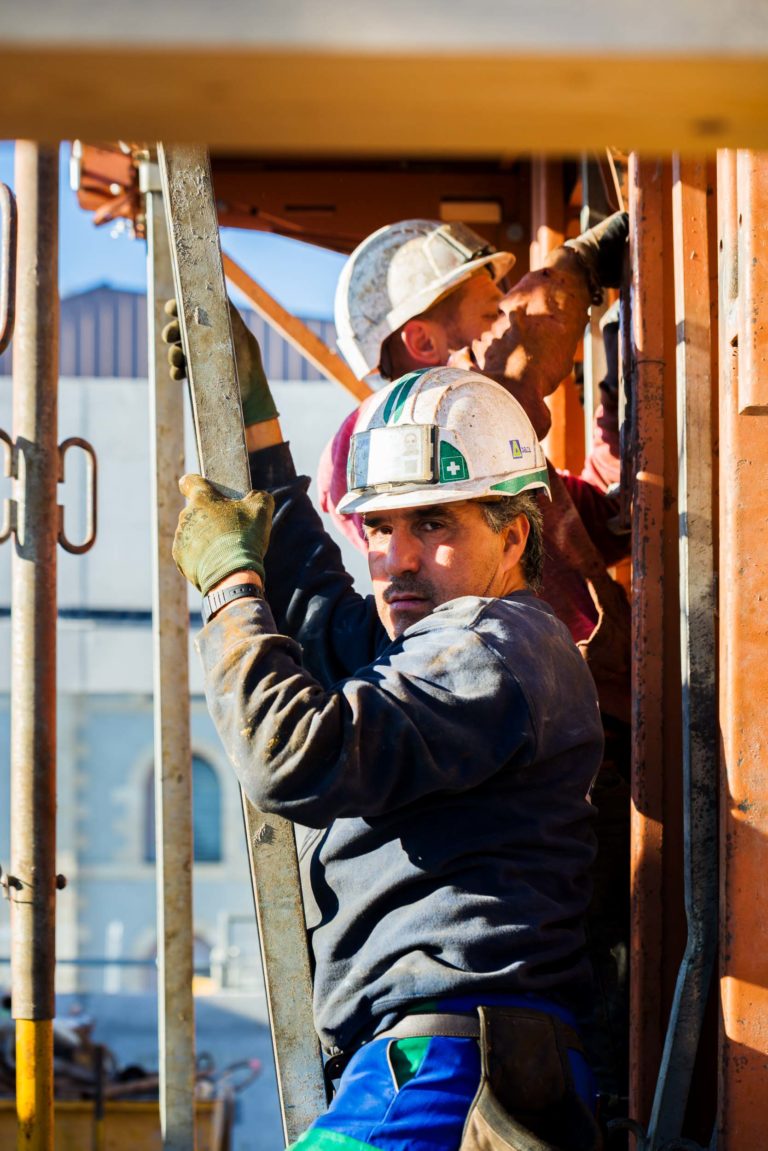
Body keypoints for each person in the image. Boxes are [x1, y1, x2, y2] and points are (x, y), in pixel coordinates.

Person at [173, 364, 606, 1151]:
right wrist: (250, 408)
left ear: (514, 533)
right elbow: (310, 600)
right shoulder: (438, 646)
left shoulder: (492, 646)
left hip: (449, 1065)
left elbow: (292, 756)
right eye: (379, 527)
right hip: (443, 1059)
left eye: (434, 523)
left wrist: (231, 586)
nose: (398, 557)